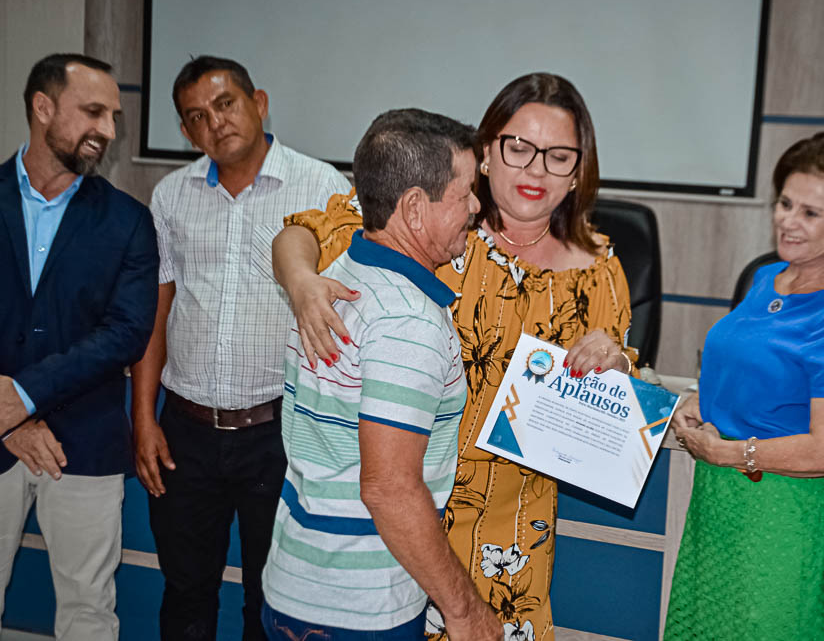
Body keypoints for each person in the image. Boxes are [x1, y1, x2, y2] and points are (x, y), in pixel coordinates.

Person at [272, 73, 635, 639]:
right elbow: (304, 231)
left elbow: (609, 407)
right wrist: (299, 283)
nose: (536, 170)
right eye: (519, 149)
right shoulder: (439, 222)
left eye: (559, 156)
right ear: (487, 151)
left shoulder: (598, 271)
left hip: (511, 532)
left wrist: (614, 364)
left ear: (579, 169)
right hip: (403, 521)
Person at [130, 56, 352, 641]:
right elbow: (159, 309)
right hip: (186, 434)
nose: (215, 123)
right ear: (185, 132)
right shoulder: (171, 195)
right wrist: (143, 420)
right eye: (197, 117)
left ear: (259, 101)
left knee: (271, 598)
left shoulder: (323, 186)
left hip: (278, 435)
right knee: (185, 595)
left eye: (225, 104)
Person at [260, 108, 499, 640]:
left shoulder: (336, 275)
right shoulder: (406, 322)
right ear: (415, 208)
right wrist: (464, 610)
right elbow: (390, 489)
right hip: (360, 610)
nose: (477, 208)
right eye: (465, 194)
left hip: (295, 584)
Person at [665, 132, 824, 640]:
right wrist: (703, 403)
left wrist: (724, 454)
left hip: (786, 515)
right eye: (785, 203)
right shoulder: (766, 279)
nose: (788, 220)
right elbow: (756, 374)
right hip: (719, 506)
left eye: (810, 213)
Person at [0, 53, 158, 639]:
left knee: (89, 612)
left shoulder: (129, 222)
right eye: (94, 112)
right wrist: (8, 416)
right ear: (43, 108)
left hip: (85, 447)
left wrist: (22, 395)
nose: (109, 131)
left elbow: (125, 333)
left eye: (114, 116)